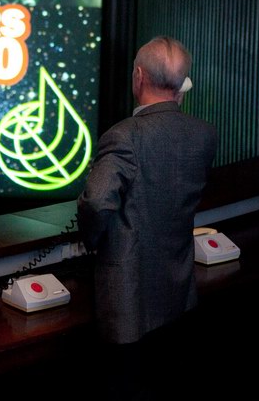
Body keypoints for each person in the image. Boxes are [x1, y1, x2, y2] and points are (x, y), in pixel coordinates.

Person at [77, 36, 218, 400]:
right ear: (183, 85)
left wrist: (90, 242)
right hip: (178, 291)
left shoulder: (124, 136)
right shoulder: (204, 134)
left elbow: (96, 202)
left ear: (138, 76)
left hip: (130, 302)